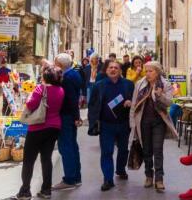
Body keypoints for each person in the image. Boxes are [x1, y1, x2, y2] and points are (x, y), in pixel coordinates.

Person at [14, 66, 65, 200]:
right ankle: (46, 190)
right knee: (46, 159)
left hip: (37, 128)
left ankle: (25, 191)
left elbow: (30, 105)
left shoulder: (40, 89)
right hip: (54, 127)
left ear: (45, 76)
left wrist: (29, 98)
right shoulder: (60, 90)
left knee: (29, 160)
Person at [129, 61, 178, 192]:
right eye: (146, 71)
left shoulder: (165, 85)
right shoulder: (140, 84)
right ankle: (148, 176)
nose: (148, 74)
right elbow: (134, 104)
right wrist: (132, 123)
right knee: (146, 150)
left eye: (150, 71)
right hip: (143, 121)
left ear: (157, 72)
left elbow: (169, 103)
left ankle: (159, 179)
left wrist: (160, 95)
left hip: (159, 122)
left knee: (158, 149)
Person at [88, 60, 134, 191]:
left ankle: (120, 169)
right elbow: (93, 105)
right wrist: (94, 122)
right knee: (107, 152)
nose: (113, 70)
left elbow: (136, 101)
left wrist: (131, 102)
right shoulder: (99, 86)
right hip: (106, 125)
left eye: (116, 68)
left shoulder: (128, 85)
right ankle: (108, 179)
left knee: (124, 150)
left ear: (120, 71)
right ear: (106, 70)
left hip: (124, 124)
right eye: (110, 68)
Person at [52, 53, 84, 191]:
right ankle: (76, 177)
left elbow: (71, 99)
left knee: (66, 146)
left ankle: (70, 178)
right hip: (70, 115)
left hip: (66, 116)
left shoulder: (67, 78)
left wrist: (76, 117)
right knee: (72, 145)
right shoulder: (73, 74)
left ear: (59, 64)